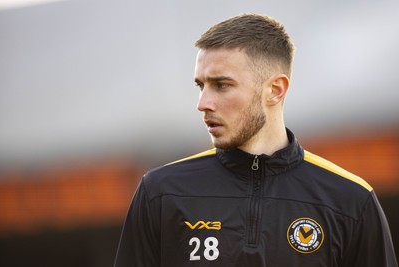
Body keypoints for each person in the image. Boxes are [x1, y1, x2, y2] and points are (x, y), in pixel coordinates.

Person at [114, 14, 398, 267]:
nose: (203, 103)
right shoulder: (161, 192)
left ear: (275, 90)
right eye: (201, 86)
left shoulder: (351, 200)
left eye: (221, 85)